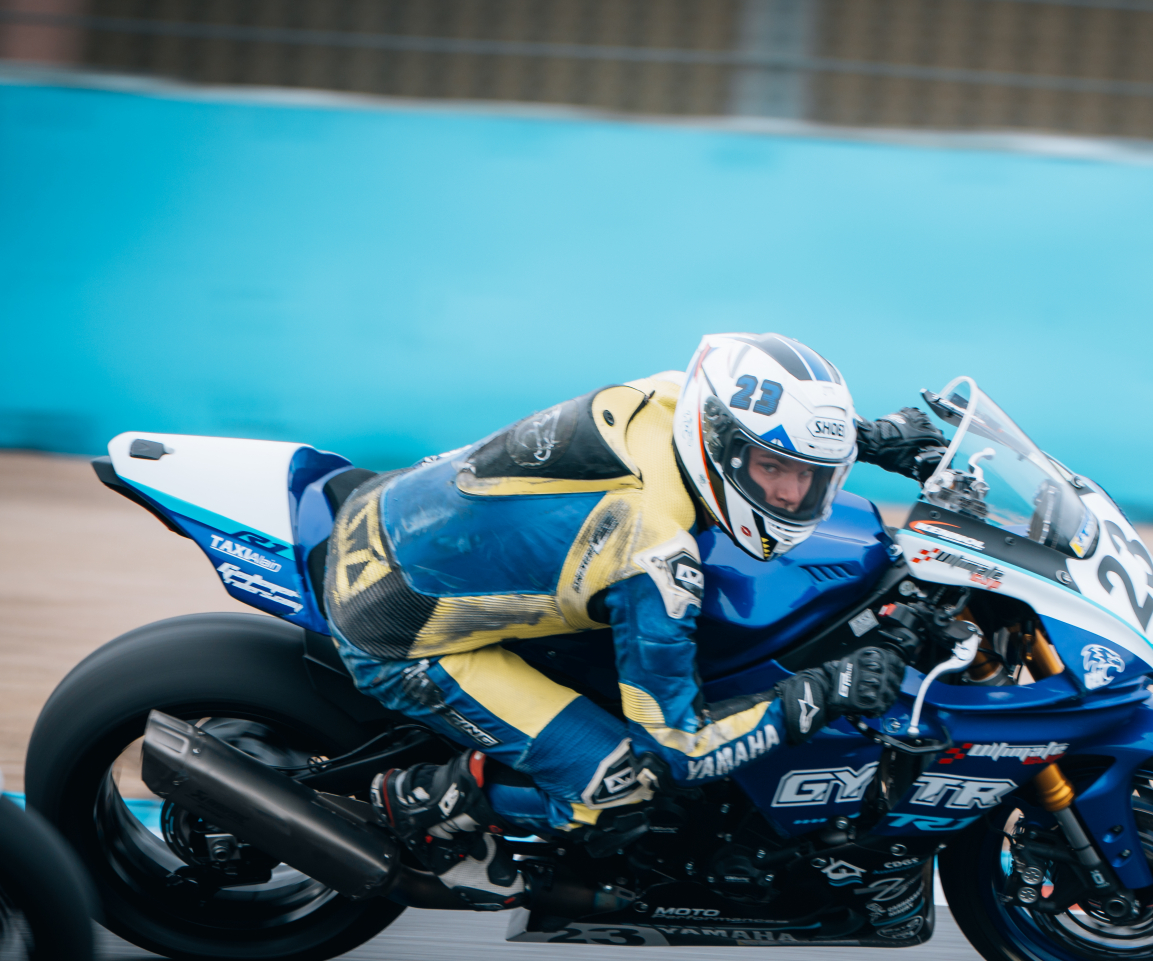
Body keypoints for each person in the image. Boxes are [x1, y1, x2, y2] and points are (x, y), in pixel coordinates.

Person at [322, 333, 948, 907]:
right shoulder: (652, 549)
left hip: (396, 513)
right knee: (621, 784)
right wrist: (822, 692)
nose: (791, 494)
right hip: (396, 627)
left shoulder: (678, 399)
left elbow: (764, 426)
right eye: (773, 470)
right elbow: (677, 749)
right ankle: (432, 801)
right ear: (724, 449)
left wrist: (872, 438)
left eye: (810, 474)